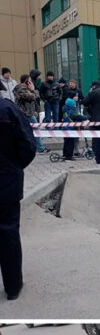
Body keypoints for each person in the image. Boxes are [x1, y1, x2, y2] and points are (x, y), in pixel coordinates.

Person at [0, 96, 36, 300]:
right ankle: (13, 287)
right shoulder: (8, 109)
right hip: (6, 182)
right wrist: (13, 168)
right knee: (8, 234)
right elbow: (27, 145)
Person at [13, 75, 48, 154]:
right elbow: (30, 97)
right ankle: (40, 147)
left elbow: (35, 99)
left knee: (32, 130)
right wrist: (33, 90)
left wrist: (34, 111)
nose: (31, 82)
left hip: (29, 112)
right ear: (26, 81)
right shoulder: (20, 89)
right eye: (29, 80)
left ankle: (38, 146)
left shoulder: (26, 89)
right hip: (25, 113)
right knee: (36, 129)